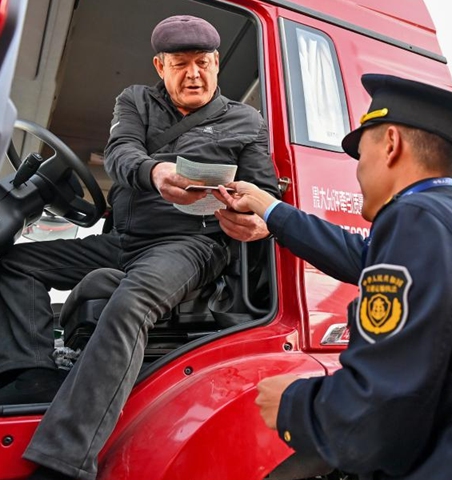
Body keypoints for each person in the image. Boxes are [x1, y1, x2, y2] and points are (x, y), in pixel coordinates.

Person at [213, 73, 452, 479]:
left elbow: (384, 395)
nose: (358, 171)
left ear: (391, 144)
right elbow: (361, 256)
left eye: (361, 155)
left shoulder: (416, 220)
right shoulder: (451, 218)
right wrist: (271, 209)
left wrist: (292, 404)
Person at [0, 15, 279, 480]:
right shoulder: (134, 100)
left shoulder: (245, 120)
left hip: (192, 244)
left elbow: (264, 192)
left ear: (216, 64)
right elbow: (120, 152)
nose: (194, 74)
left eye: (203, 63)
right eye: (181, 64)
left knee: (132, 301)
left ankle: (64, 460)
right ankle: (31, 373)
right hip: (124, 240)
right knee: (15, 262)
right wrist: (155, 173)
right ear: (160, 66)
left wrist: (256, 223)